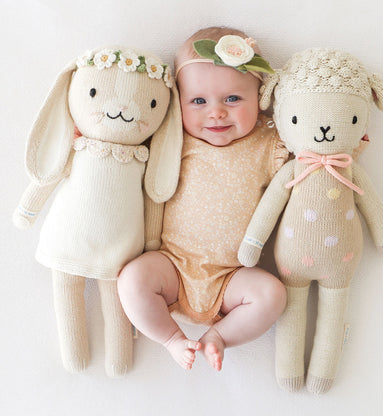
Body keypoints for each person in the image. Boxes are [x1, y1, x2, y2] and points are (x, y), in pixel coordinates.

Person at [117, 27, 289, 371]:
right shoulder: (173, 139)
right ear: (179, 101)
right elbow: (128, 144)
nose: (216, 113)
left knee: (272, 295)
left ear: (261, 98)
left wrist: (346, 143)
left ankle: (220, 336)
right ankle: (171, 338)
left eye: (232, 99)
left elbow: (311, 152)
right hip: (172, 266)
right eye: (199, 101)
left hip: (234, 276)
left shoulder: (269, 143)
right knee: (133, 279)